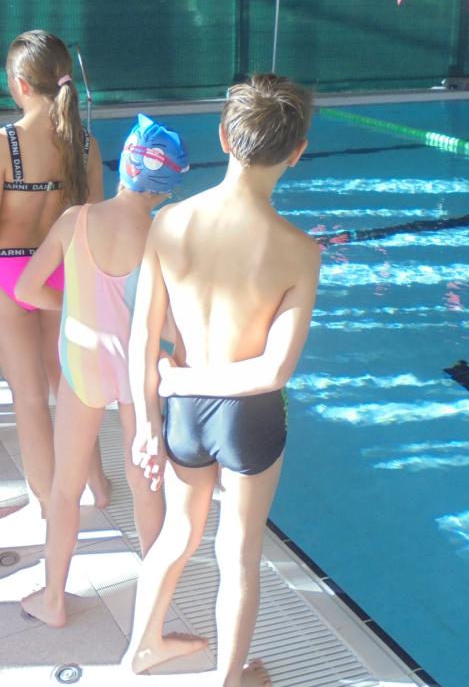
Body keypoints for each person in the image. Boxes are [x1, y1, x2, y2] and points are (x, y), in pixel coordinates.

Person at [121, 74, 321, 687]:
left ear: (224, 138)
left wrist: (149, 419)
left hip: (183, 413)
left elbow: (142, 335)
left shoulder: (170, 222)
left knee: (177, 534)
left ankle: (141, 650)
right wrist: (180, 387)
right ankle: (227, 680)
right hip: (248, 416)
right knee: (238, 553)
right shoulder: (299, 250)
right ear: (297, 151)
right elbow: (273, 370)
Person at [16, 114, 189, 629]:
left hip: (83, 367)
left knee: (66, 488)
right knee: (146, 488)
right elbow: (174, 328)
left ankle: (53, 598)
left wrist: (73, 304)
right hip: (138, 371)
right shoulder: (160, 237)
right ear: (165, 190)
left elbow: (26, 289)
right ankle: (155, 611)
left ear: (122, 169)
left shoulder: (75, 220)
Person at [0, 30, 106, 516]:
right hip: (62, 273)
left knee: (29, 396)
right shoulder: (85, 144)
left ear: (19, 84)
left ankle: (48, 501)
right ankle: (97, 484)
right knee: (69, 386)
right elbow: (93, 223)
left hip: (10, 274)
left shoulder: (0, 145)